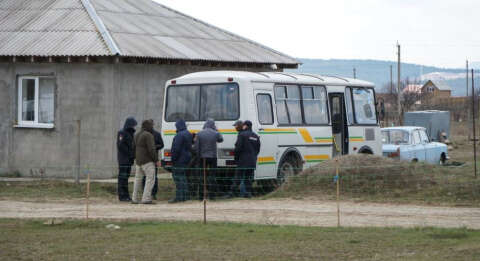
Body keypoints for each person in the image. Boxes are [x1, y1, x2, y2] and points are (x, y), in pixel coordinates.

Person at [193, 119, 223, 200]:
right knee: (212, 176)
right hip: (213, 157)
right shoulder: (215, 133)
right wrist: (217, 130)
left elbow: (196, 147)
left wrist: (198, 157)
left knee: (202, 176)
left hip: (203, 157)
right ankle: (212, 196)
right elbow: (221, 139)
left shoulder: (199, 133)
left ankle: (201, 196)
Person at [131, 120, 158, 204]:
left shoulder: (136, 134)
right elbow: (151, 149)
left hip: (138, 161)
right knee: (150, 179)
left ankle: (134, 199)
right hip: (147, 161)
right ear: (148, 126)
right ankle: (146, 199)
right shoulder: (148, 135)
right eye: (152, 125)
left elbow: (133, 148)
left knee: (137, 180)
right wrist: (156, 160)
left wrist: (135, 158)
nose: (153, 127)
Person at [233, 120, 260, 198]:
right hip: (252, 161)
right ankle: (248, 194)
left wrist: (236, 158)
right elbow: (258, 149)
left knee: (238, 178)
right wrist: (254, 157)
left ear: (246, 126)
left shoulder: (242, 135)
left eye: (244, 125)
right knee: (248, 178)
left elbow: (238, 148)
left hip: (242, 160)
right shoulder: (256, 136)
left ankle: (232, 193)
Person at [170, 119, 192, 203]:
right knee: (183, 178)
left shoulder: (179, 135)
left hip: (179, 160)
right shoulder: (188, 133)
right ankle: (186, 196)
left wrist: (173, 159)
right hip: (186, 159)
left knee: (178, 178)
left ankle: (179, 197)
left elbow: (176, 149)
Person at [142, 119, 164, 200]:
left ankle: (153, 193)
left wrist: (155, 147)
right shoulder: (144, 134)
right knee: (145, 176)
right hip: (145, 158)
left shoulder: (157, 134)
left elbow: (161, 145)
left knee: (154, 177)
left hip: (154, 158)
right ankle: (145, 193)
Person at [116, 117, 137, 202]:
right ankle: (122, 196)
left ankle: (126, 195)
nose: (134, 127)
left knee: (126, 178)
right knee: (122, 178)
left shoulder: (130, 134)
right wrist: (129, 153)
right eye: (132, 125)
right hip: (123, 160)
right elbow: (120, 145)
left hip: (129, 160)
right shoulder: (122, 133)